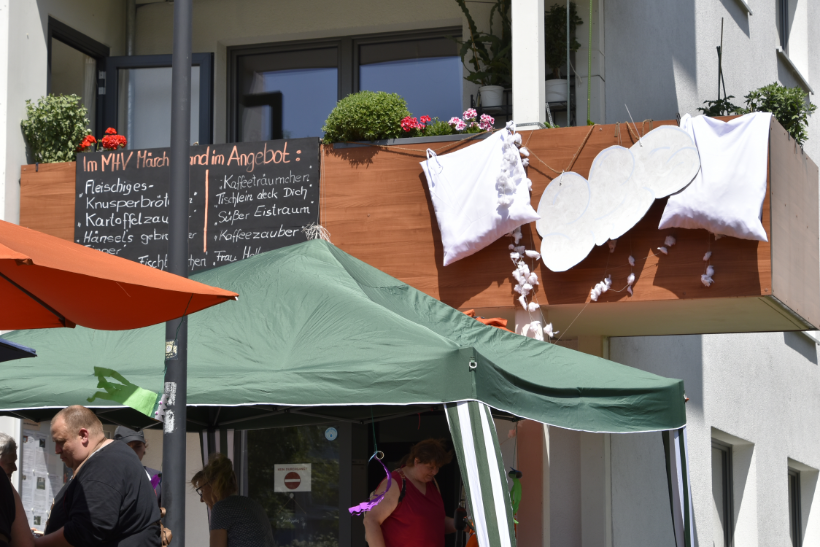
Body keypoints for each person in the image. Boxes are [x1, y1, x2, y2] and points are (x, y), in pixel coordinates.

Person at [37, 405, 160, 547]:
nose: (57, 450)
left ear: (83, 435)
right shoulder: (108, 457)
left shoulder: (105, 464)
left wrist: (35, 544)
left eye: (61, 442)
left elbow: (86, 530)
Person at [363, 439, 460, 547]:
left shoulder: (432, 483)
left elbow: (435, 521)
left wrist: (459, 524)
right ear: (416, 461)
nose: (435, 472)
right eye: (430, 467)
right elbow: (370, 520)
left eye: (437, 467)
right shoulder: (395, 484)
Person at [191, 454, 274, 547]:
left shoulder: (222, 508)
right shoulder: (254, 505)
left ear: (213, 485)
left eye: (202, 491)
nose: (201, 499)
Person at [114, 426, 161, 505]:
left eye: (138, 446)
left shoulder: (157, 477)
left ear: (144, 447)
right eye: (126, 446)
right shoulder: (107, 477)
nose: (132, 452)